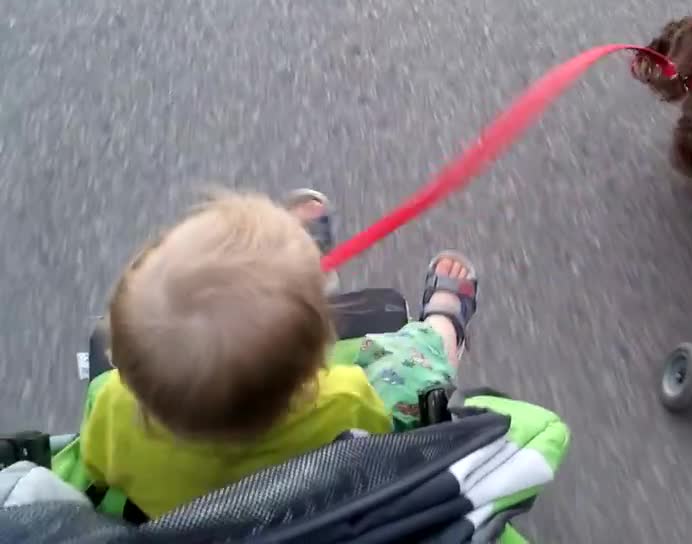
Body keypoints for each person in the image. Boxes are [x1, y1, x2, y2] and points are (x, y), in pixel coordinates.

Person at [78, 188, 480, 518]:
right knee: (411, 366)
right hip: (331, 502)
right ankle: (445, 323)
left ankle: (296, 283)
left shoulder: (112, 407)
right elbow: (379, 435)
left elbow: (93, 468)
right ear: (315, 366)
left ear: (128, 369)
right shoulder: (344, 396)